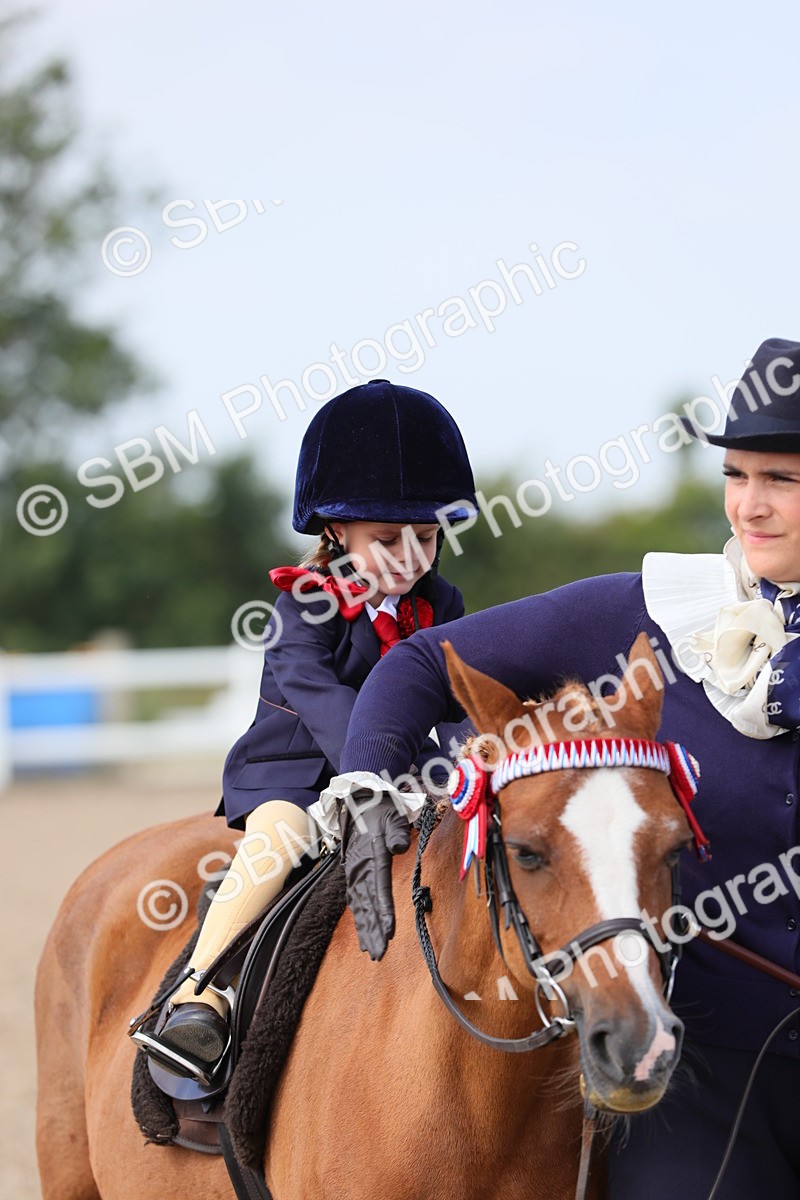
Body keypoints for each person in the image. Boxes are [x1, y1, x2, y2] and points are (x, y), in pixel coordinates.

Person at [332, 339, 800, 1198]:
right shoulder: (647, 612)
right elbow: (422, 665)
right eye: (738, 476)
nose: (751, 506)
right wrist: (368, 779)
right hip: (696, 1075)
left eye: (782, 481)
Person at [139, 378, 477, 1081]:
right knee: (278, 840)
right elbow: (314, 691)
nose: (411, 556)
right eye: (388, 539)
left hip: (413, 774)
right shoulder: (305, 603)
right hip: (296, 774)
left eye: (425, 536)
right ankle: (197, 998)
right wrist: (380, 766)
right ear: (336, 532)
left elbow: (458, 691)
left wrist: (468, 754)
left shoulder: (443, 601)